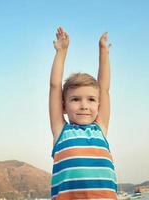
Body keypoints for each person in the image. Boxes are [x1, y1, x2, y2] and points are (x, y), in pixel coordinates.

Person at [49, 27, 118, 199]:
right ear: (63, 106)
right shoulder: (61, 131)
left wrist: (103, 52)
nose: (84, 106)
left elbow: (104, 89)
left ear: (99, 104)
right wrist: (61, 51)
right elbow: (55, 86)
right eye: (75, 99)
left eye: (91, 99)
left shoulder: (100, 128)